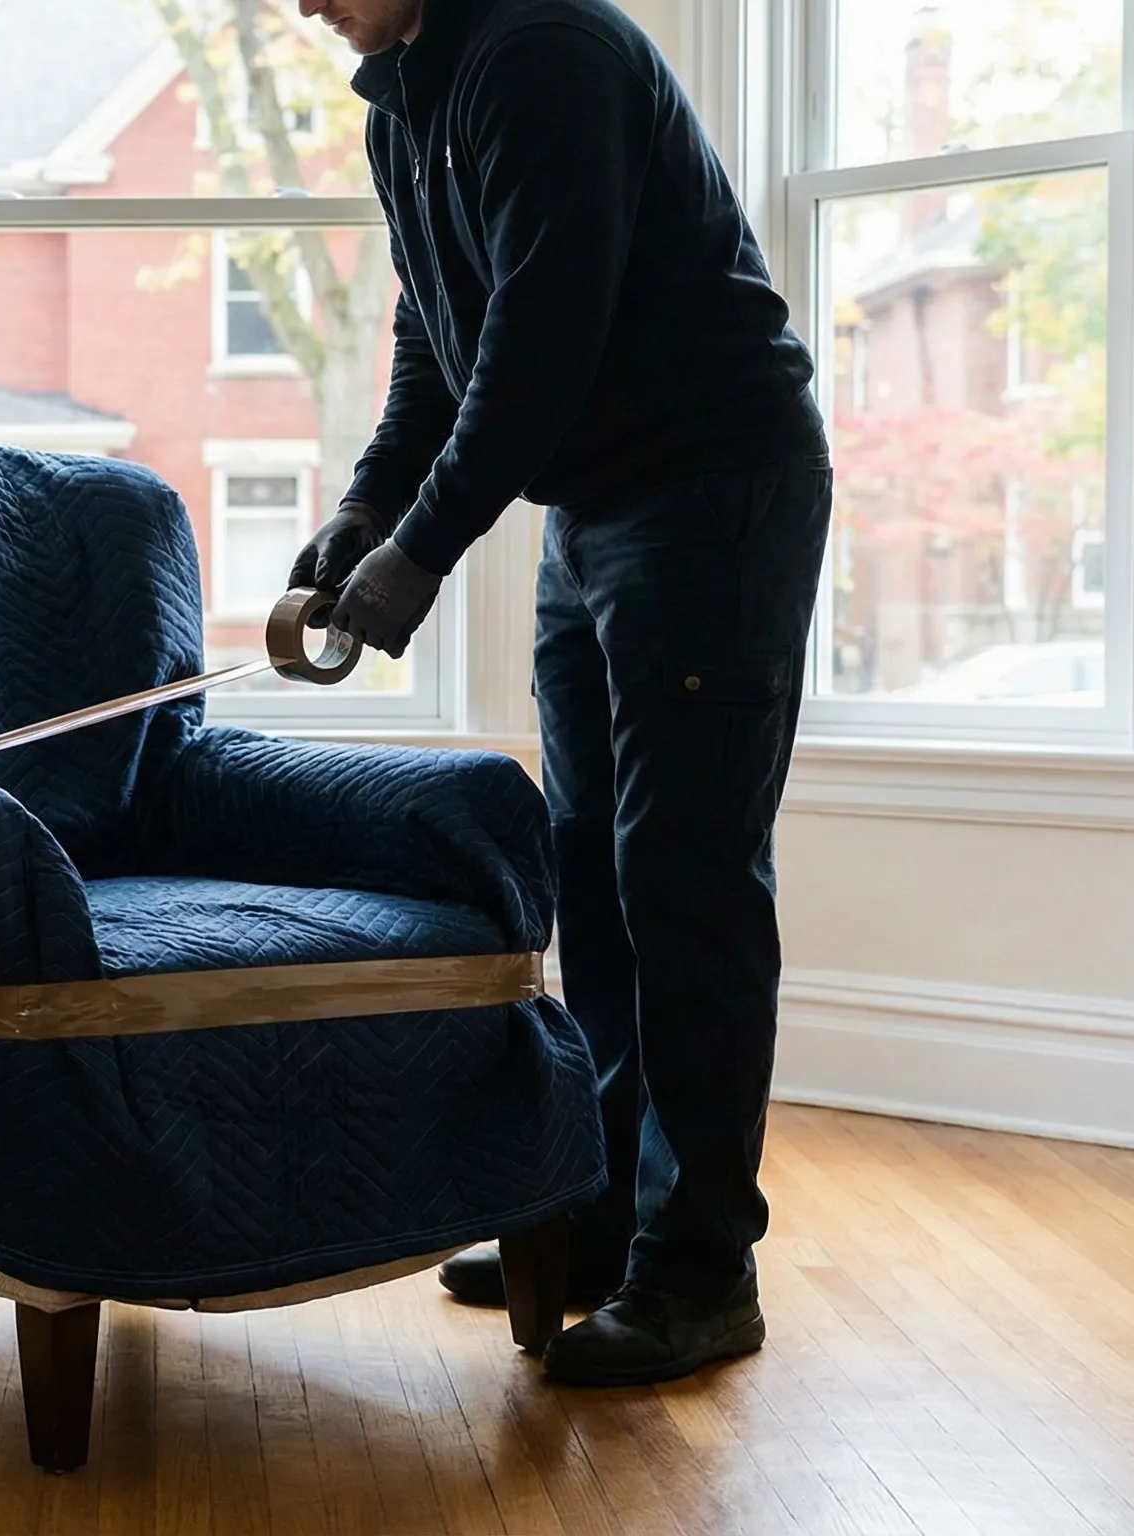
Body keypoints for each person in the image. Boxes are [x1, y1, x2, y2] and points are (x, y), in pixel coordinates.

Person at [290, 0, 831, 1387]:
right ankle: (598, 1219)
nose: (299, 4)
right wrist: (365, 514)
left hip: (714, 484)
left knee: (685, 876)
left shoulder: (546, 53)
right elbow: (441, 333)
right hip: (596, 501)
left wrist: (423, 552)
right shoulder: (402, 94)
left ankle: (703, 1270)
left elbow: (545, 336)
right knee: (589, 868)